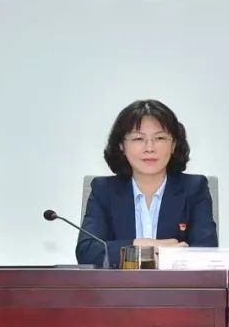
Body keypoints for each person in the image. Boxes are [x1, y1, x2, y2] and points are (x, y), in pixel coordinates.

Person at [77, 99, 218, 268]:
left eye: (159, 138)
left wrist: (135, 252)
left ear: (173, 145)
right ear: (121, 145)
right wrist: (145, 247)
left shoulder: (194, 189)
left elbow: (206, 253)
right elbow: (88, 252)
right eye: (138, 138)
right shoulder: (104, 190)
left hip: (176, 285)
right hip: (119, 286)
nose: (149, 148)